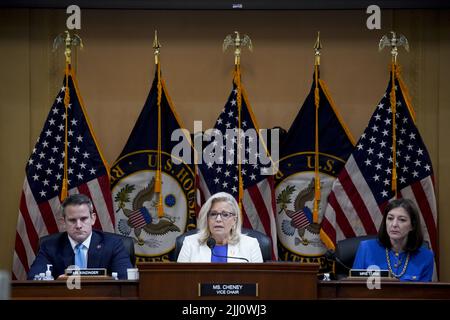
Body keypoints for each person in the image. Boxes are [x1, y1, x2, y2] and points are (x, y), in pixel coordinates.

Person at [27, 194, 132, 280]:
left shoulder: (113, 244)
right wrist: (58, 282)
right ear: (63, 222)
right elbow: (33, 279)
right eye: (72, 220)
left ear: (93, 219)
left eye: (84, 219)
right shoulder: (49, 246)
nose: (78, 225)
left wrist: (103, 279)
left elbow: (125, 280)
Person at [352, 198, 434, 281]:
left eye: (402, 220)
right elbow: (354, 288)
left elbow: (424, 293)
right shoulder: (366, 248)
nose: (394, 224)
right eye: (390, 218)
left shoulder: (426, 257)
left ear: (412, 225)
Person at [177, 192, 263, 263]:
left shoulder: (251, 244)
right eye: (213, 214)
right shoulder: (190, 243)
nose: (218, 219)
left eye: (225, 214)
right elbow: (182, 280)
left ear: (234, 220)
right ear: (207, 219)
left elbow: (259, 280)